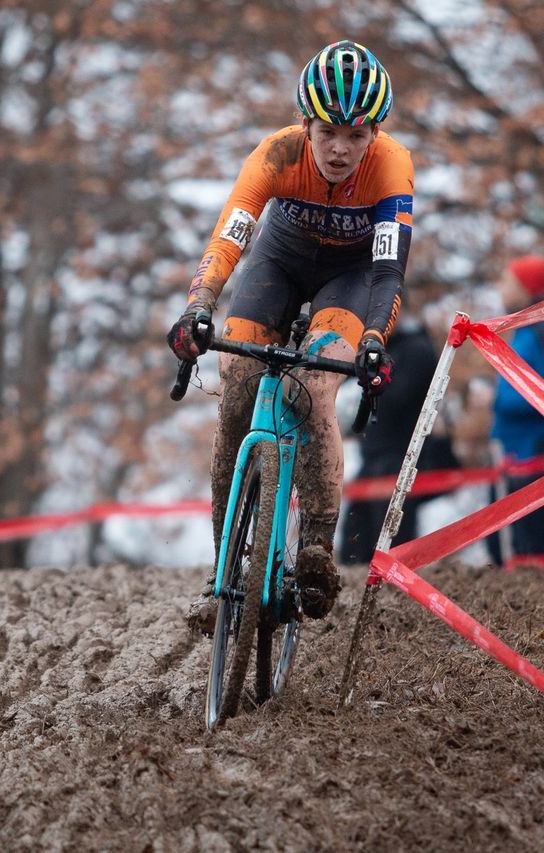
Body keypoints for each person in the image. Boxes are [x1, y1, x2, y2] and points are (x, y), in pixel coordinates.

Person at [167, 40, 414, 631]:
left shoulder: (391, 167)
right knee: (238, 388)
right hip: (279, 263)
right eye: (328, 130)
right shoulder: (276, 154)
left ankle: (317, 554)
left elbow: (387, 270)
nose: (340, 148)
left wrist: (376, 339)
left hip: (349, 281)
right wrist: (198, 306)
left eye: (357, 135)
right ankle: (224, 565)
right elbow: (230, 238)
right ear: (306, 123)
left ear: (373, 135)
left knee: (314, 386)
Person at [339, 314, 460, 563]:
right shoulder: (383, 349)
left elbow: (396, 401)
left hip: (403, 459)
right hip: (372, 459)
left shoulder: (416, 350)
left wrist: (372, 381)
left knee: (392, 543)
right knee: (355, 539)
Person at [483, 255, 544, 566]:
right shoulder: (525, 329)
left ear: (526, 287)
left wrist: (496, 401)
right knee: (499, 544)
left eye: (506, 281)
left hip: (534, 447)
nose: (499, 288)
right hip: (509, 449)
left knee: (526, 545)